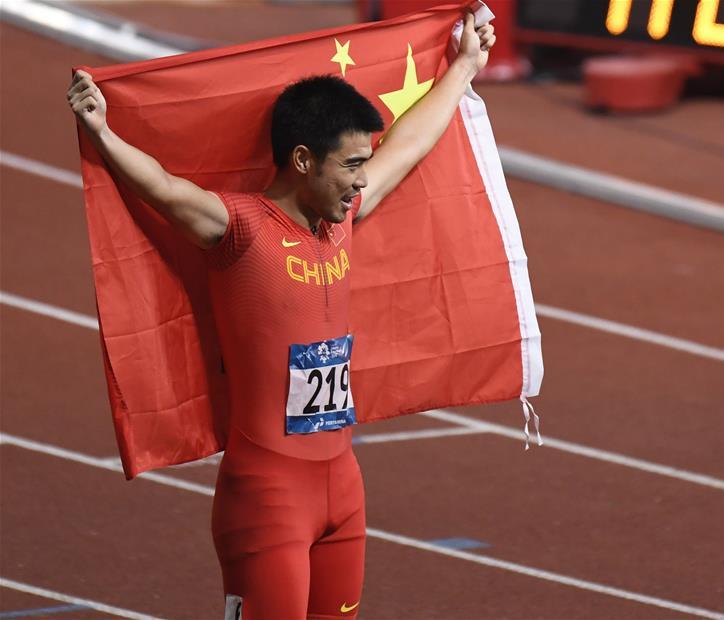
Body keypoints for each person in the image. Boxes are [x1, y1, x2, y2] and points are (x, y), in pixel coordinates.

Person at [67, 11, 495, 620]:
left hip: (344, 488)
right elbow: (163, 188)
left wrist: (463, 68)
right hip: (266, 498)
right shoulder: (237, 228)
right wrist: (101, 132)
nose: (360, 182)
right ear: (301, 160)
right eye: (349, 165)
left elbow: (409, 143)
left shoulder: (341, 218)